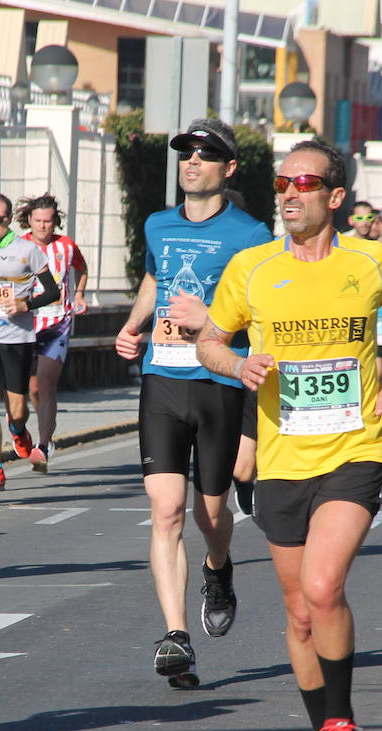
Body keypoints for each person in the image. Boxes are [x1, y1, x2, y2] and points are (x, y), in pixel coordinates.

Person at [197, 138, 382, 731]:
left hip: (355, 448)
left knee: (324, 588)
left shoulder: (372, 260)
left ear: (335, 196)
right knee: (299, 614)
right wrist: (236, 365)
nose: (290, 192)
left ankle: (343, 724)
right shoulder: (253, 268)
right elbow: (211, 338)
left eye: (306, 181)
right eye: (282, 182)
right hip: (282, 458)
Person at [114, 116, 273, 686]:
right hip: (162, 380)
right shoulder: (158, 224)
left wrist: (208, 322)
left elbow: (264, 321)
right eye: (185, 153)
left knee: (211, 515)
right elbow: (155, 282)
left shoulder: (251, 235)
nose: (191, 162)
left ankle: (219, 567)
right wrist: (133, 327)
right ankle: (177, 635)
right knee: (165, 511)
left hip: (218, 387)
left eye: (205, 155)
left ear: (228, 169)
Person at [0, 193, 61, 492]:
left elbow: (52, 292)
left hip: (17, 338)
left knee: (16, 410)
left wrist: (25, 305)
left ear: (9, 220)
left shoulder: (28, 251)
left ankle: (18, 429)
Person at [18, 192, 88, 472]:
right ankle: (34, 433)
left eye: (48, 221)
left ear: (55, 221)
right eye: (38, 221)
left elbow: (82, 268)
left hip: (58, 322)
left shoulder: (67, 246)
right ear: (29, 221)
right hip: (26, 323)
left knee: (46, 384)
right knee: (31, 388)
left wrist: (80, 293)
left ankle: (44, 445)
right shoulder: (18, 246)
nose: (44, 227)